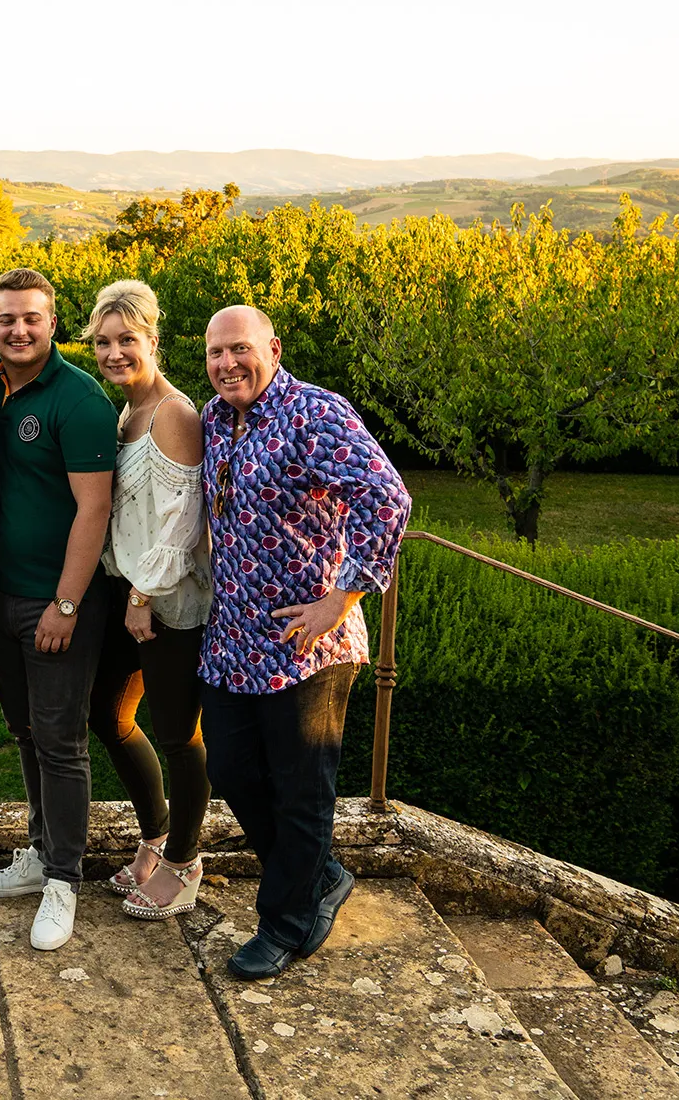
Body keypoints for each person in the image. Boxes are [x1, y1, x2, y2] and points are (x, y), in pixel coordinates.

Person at [199, 305, 411, 980]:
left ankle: (287, 923)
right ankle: (318, 875)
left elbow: (387, 497)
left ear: (273, 347)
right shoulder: (214, 416)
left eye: (240, 349)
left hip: (306, 650)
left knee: (301, 790)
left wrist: (340, 597)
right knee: (229, 770)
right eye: (214, 353)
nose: (227, 363)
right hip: (233, 642)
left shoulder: (315, 413)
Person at [0, 267, 118, 952]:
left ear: (53, 322)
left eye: (32, 317)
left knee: (61, 742)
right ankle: (37, 851)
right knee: (26, 731)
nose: (19, 330)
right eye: (6, 319)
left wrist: (66, 602)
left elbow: (95, 508)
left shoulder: (78, 398)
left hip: (53, 604)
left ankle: (64, 879)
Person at [86, 280, 213, 921]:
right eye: (104, 341)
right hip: (126, 594)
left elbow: (183, 520)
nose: (114, 352)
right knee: (106, 715)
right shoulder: (126, 411)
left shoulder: (174, 413)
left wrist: (142, 592)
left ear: (152, 341)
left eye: (127, 340)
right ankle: (156, 836)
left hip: (168, 602)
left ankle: (186, 861)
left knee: (177, 732)